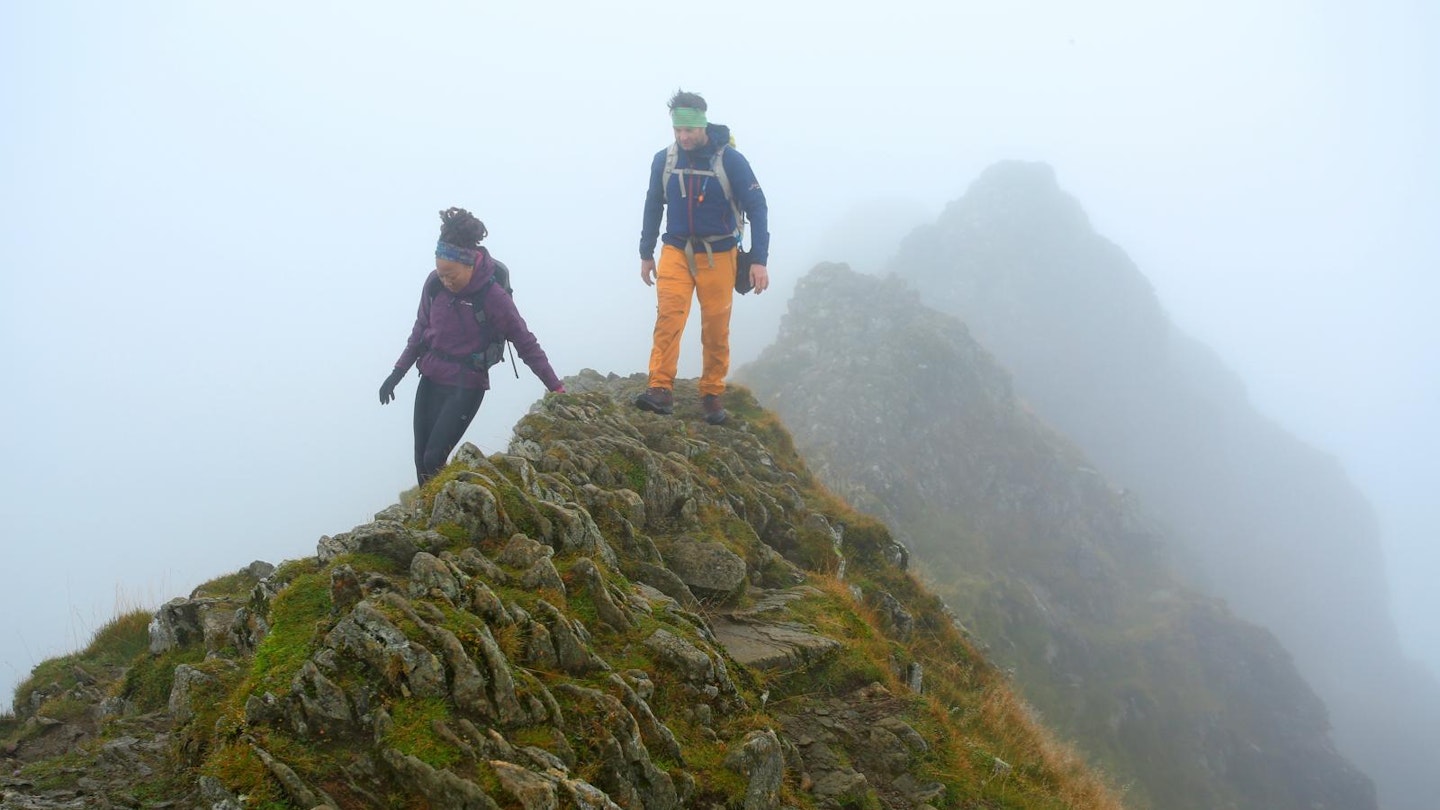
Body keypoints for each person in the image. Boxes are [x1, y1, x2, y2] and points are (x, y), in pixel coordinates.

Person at [380, 207, 564, 485]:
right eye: (441, 273)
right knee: (421, 460)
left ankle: (456, 509)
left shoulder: (493, 296)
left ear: (470, 264)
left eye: (451, 275)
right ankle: (432, 518)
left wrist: (555, 387)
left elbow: (526, 343)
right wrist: (396, 373)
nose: (445, 280)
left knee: (433, 458)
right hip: (430, 379)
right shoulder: (434, 285)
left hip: (466, 385)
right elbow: (419, 331)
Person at [636, 89, 770, 425]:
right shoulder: (664, 160)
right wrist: (645, 252)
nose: (683, 137)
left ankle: (711, 393)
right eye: (678, 131)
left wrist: (759, 260)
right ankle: (660, 388)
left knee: (715, 325)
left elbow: (757, 206)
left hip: (720, 253)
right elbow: (654, 204)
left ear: (703, 125)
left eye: (690, 131)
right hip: (676, 250)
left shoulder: (730, 161)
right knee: (669, 316)